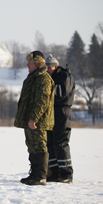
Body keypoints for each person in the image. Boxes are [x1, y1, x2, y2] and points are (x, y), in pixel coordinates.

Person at [14, 50, 55, 186]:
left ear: (37, 64)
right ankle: (34, 174)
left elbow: (42, 102)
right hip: (29, 119)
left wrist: (34, 118)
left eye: (29, 63)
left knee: (39, 145)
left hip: (39, 121)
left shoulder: (44, 79)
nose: (27, 65)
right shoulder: (32, 77)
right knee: (31, 145)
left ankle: (41, 176)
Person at [45, 54, 75, 183]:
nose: (46, 70)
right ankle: (55, 173)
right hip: (51, 113)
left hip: (62, 112)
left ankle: (66, 174)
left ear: (55, 66)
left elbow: (62, 92)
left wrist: (45, 88)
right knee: (50, 143)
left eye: (48, 67)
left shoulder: (65, 76)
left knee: (61, 142)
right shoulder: (50, 77)